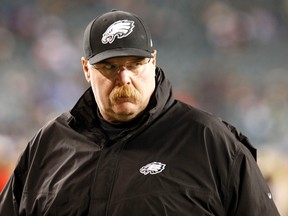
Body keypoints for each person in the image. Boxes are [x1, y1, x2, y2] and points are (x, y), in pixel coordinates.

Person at [0, 10, 280, 216]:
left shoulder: (212, 142)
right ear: (87, 69)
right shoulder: (48, 145)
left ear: (153, 61)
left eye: (135, 64)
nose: (124, 78)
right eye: (109, 67)